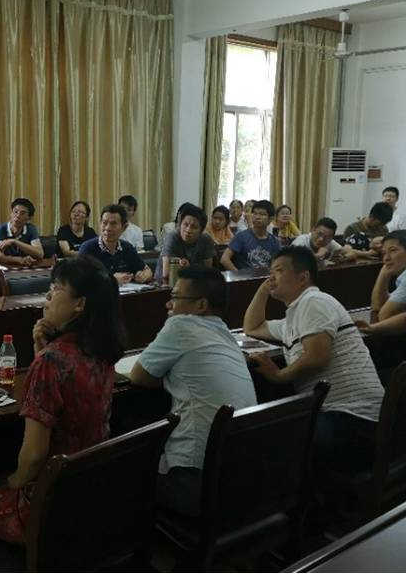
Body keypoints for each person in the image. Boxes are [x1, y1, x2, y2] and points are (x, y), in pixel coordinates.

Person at [0, 256, 125, 544]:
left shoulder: (52, 361)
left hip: (48, 505)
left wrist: (12, 483)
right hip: (90, 487)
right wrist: (42, 351)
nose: (48, 296)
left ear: (80, 304)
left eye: (57, 289)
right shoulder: (101, 350)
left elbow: (34, 456)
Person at [243, 246, 384, 473]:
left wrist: (279, 375)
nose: (272, 277)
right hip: (339, 415)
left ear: (302, 277)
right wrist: (262, 291)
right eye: (271, 272)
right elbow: (252, 327)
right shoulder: (293, 317)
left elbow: (318, 357)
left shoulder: (314, 301)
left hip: (354, 417)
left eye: (279, 270)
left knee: (266, 439)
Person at [129, 266, 256, 516]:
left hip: (197, 484)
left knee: (122, 474)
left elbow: (138, 376)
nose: (168, 304)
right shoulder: (225, 333)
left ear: (201, 305)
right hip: (240, 480)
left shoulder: (180, 325)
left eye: (175, 297)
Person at [79, 204, 153, 284]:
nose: (107, 228)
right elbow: (82, 280)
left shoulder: (127, 247)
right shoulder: (87, 248)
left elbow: (147, 270)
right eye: (104, 223)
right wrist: (111, 279)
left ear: (124, 227)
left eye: (113, 224)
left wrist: (144, 275)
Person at [160, 205, 216, 282]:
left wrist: (189, 268)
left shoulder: (206, 240)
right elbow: (166, 274)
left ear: (201, 230)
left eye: (194, 227)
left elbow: (208, 271)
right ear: (180, 225)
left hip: (195, 283)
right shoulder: (172, 237)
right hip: (166, 283)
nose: (188, 230)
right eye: (185, 224)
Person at [220, 200, 280, 270]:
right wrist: (238, 274)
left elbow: (276, 264)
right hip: (244, 276)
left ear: (271, 219)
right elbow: (224, 259)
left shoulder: (274, 241)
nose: (257, 217)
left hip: (266, 276)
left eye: (262, 214)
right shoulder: (241, 236)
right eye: (254, 213)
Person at [0, 198, 44, 266]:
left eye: (22, 213)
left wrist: (15, 241)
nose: (18, 216)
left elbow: (40, 254)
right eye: (15, 212)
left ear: (29, 218)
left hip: (24, 268)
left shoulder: (31, 229)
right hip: (4, 269)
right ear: (11, 213)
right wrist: (19, 260)